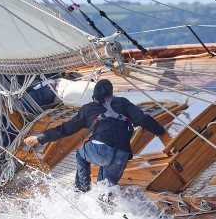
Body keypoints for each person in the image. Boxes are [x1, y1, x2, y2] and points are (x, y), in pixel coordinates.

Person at [23, 79, 170, 192]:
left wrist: (39, 138)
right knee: (105, 189)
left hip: (99, 150)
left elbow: (66, 129)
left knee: (81, 155)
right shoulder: (123, 103)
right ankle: (104, 212)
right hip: (122, 154)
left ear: (94, 96)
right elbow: (143, 119)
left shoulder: (88, 109)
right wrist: (161, 132)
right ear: (112, 94)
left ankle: (82, 192)